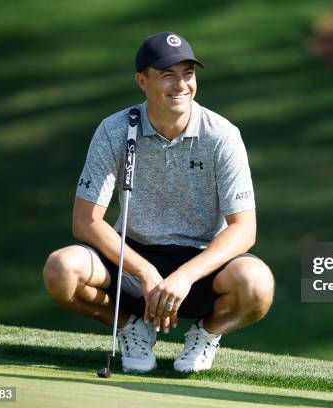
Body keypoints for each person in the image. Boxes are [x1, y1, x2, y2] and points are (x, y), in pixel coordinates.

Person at [42, 31, 274, 373]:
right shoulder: (115, 130)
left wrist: (183, 276)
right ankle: (131, 328)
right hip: (131, 260)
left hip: (201, 266)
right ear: (142, 81)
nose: (181, 84)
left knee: (257, 285)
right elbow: (86, 221)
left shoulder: (221, 135)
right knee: (60, 271)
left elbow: (244, 228)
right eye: (168, 74)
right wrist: (145, 272)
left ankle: (206, 334)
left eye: (188, 73)